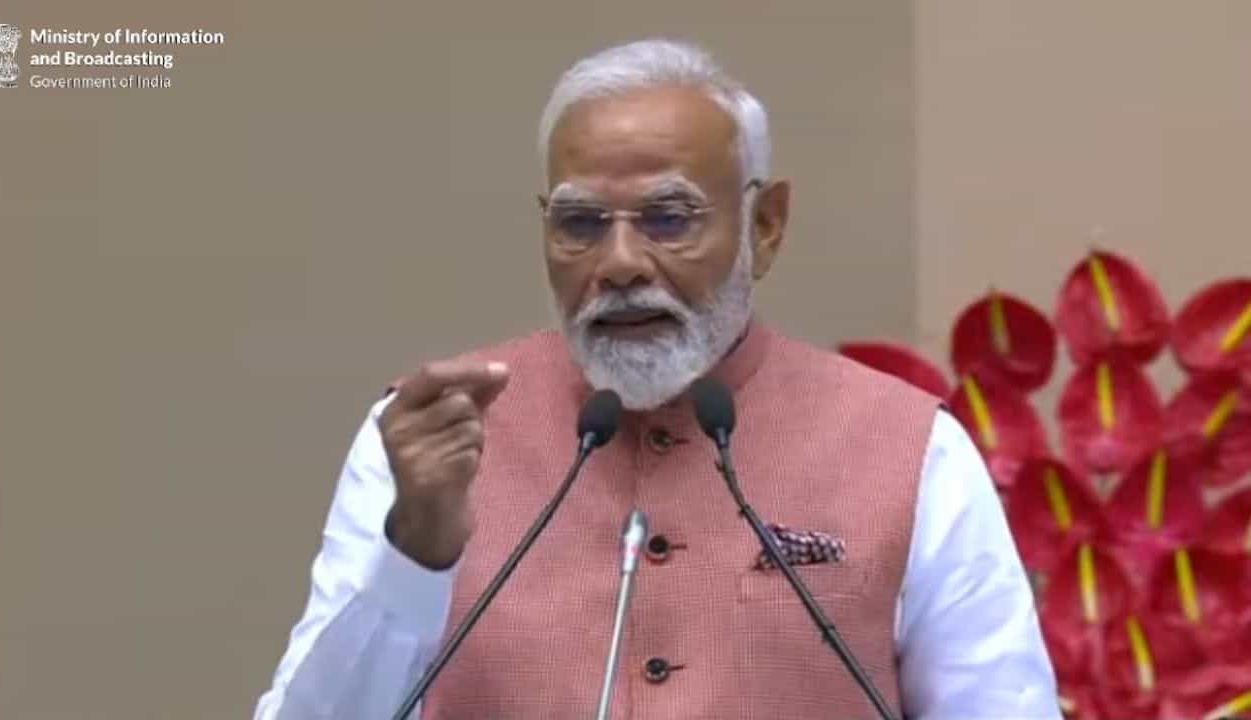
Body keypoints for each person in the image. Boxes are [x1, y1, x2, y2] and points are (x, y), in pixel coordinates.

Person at [254, 38, 1060, 719]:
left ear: (765, 226)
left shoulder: (912, 451)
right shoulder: (432, 439)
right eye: (579, 224)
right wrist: (414, 557)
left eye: (669, 219)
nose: (619, 263)